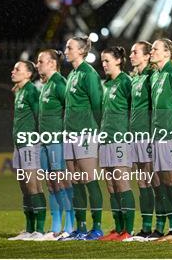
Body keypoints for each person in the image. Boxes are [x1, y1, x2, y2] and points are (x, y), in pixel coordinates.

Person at [60, 36, 103, 241]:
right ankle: (80, 227)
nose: (66, 50)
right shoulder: (73, 74)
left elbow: (97, 105)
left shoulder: (89, 74)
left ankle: (97, 227)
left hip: (85, 133)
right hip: (69, 133)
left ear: (81, 51)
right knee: (74, 179)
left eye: (69, 47)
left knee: (89, 179)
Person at [146, 38, 172, 242]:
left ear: (167, 53)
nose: (152, 51)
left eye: (155, 49)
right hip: (157, 135)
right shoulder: (155, 76)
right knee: (160, 181)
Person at [36, 49, 74, 240]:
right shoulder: (46, 85)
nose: (37, 64)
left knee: (62, 182)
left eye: (41, 61)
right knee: (51, 184)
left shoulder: (59, 83)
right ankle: (56, 225)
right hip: (44, 142)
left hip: (57, 141)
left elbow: (69, 109)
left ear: (52, 63)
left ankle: (70, 224)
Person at [99, 46, 135, 242]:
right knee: (111, 186)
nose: (103, 64)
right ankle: (118, 228)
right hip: (105, 140)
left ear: (119, 61)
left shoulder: (125, 82)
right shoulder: (107, 84)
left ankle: (128, 230)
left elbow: (135, 109)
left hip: (120, 139)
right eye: (102, 61)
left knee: (121, 183)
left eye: (107, 61)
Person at [124, 40, 158, 241]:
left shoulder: (151, 77)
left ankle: (160, 226)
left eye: (135, 52)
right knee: (142, 182)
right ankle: (146, 226)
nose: (131, 56)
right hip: (135, 135)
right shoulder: (134, 78)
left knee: (154, 181)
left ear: (147, 56)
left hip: (147, 134)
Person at [8, 60, 46, 241]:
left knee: (33, 185)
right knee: (24, 187)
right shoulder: (19, 91)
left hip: (30, 144)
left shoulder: (31, 91)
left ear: (28, 74)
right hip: (19, 145)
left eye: (17, 69)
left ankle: (39, 230)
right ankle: (29, 229)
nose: (13, 71)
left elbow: (40, 116)